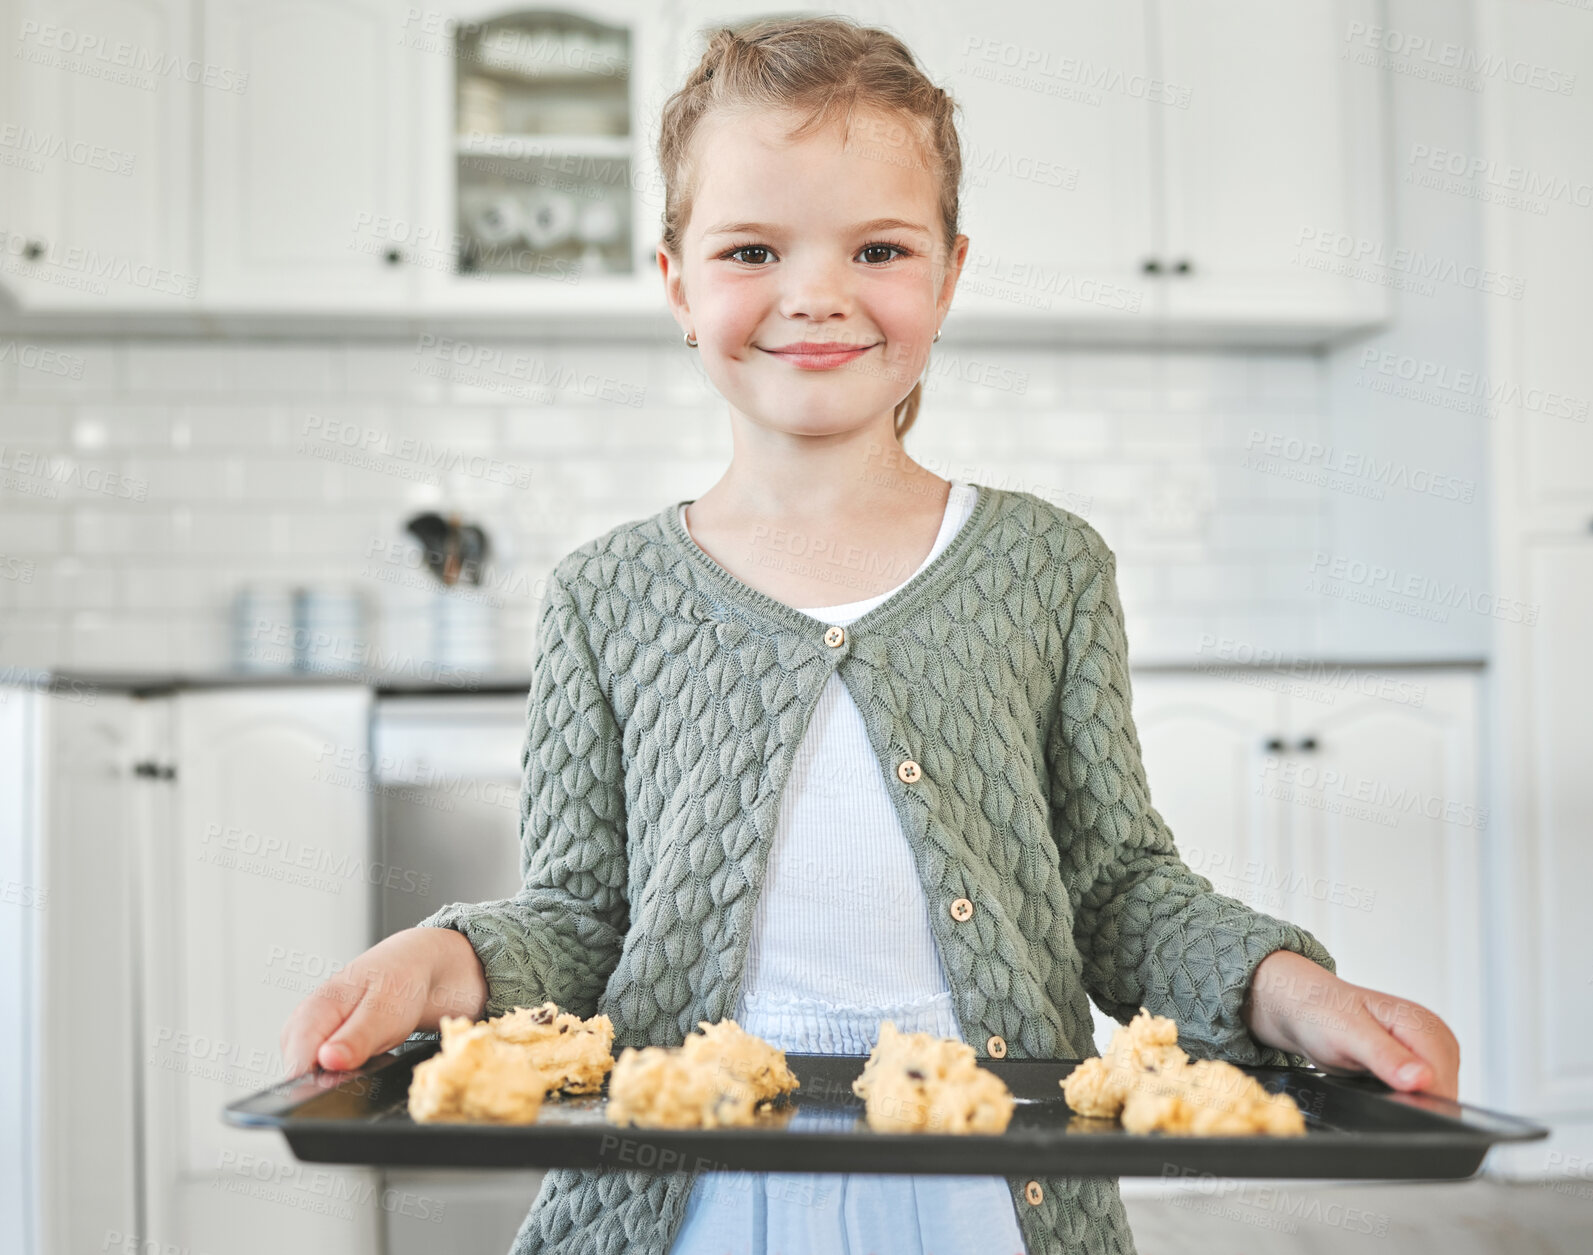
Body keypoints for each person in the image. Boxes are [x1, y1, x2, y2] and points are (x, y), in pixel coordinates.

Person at [281, 15, 1461, 1255]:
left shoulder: (1047, 569)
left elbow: (1117, 892)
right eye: (751, 248)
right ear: (679, 283)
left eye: (879, 247)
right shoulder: (602, 594)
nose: (816, 295)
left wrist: (1287, 989)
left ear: (948, 276)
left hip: (989, 1202)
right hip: (687, 1202)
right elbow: (583, 917)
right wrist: (445, 955)